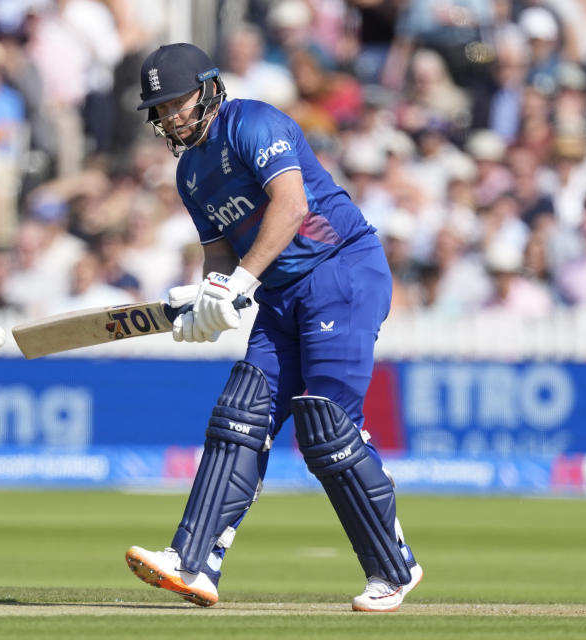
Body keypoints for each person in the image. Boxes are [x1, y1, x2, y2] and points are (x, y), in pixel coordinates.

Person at [123, 43, 422, 612]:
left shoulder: (255, 122)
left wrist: (238, 284)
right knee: (241, 412)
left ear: (210, 90)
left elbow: (289, 206)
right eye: (159, 108)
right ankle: (192, 562)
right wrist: (206, 301)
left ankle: (393, 567)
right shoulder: (190, 173)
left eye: (177, 102)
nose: (169, 116)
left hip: (342, 270)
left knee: (326, 426)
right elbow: (218, 254)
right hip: (281, 293)